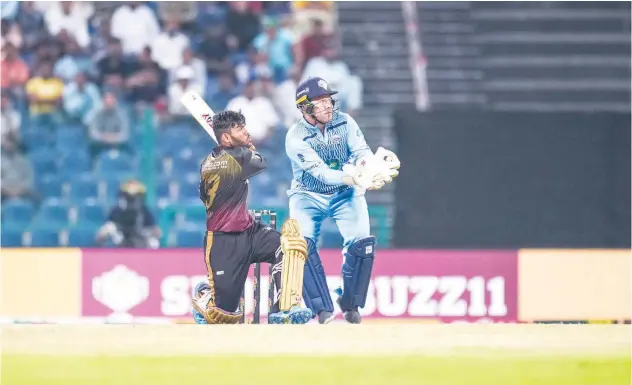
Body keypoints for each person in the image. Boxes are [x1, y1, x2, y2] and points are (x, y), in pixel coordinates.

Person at [285, 77, 400, 324]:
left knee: (362, 244)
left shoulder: (345, 122)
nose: (328, 106)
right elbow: (320, 172)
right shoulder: (295, 138)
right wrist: (352, 176)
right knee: (299, 246)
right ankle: (321, 308)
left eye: (329, 100)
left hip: (345, 194)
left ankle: (351, 304)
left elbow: (360, 152)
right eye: (321, 102)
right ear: (305, 107)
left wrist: (369, 167)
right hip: (308, 195)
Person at [191, 110, 313, 325]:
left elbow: (203, 196)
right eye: (240, 129)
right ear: (226, 137)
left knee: (288, 245)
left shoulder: (206, 162)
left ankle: (283, 308)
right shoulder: (239, 157)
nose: (247, 131)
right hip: (223, 242)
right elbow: (261, 162)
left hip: (249, 232)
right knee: (225, 315)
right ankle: (206, 293)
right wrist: (247, 149)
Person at [95, 180, 161, 248]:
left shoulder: (144, 211)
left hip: (140, 241)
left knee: (153, 243)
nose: (131, 202)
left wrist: (149, 233)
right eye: (128, 198)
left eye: (135, 198)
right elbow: (103, 232)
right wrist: (106, 233)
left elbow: (156, 231)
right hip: (120, 240)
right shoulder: (116, 211)